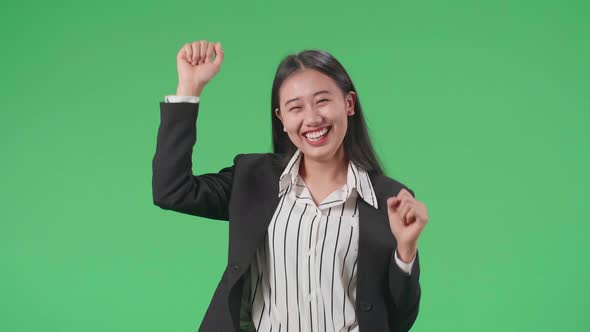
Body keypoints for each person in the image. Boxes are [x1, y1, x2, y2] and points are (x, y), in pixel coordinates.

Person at [152, 40, 430, 332]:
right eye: (295, 107)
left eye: (322, 100)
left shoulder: (389, 199)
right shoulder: (253, 179)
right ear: (281, 119)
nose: (312, 118)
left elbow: (400, 319)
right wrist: (189, 89)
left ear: (348, 104)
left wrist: (406, 251)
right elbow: (171, 190)